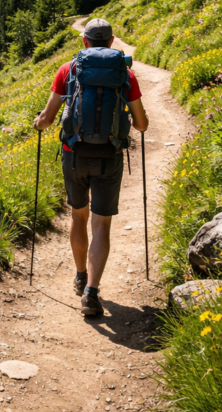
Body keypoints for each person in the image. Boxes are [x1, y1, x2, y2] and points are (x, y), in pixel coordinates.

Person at [32, 18, 148, 317]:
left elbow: (47, 119)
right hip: (109, 156)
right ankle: (92, 293)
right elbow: (142, 124)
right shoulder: (126, 73)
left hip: (74, 154)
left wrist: (39, 123)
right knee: (101, 223)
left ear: (83, 41)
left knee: (78, 216)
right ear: (111, 43)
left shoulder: (68, 70)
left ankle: (80, 274)